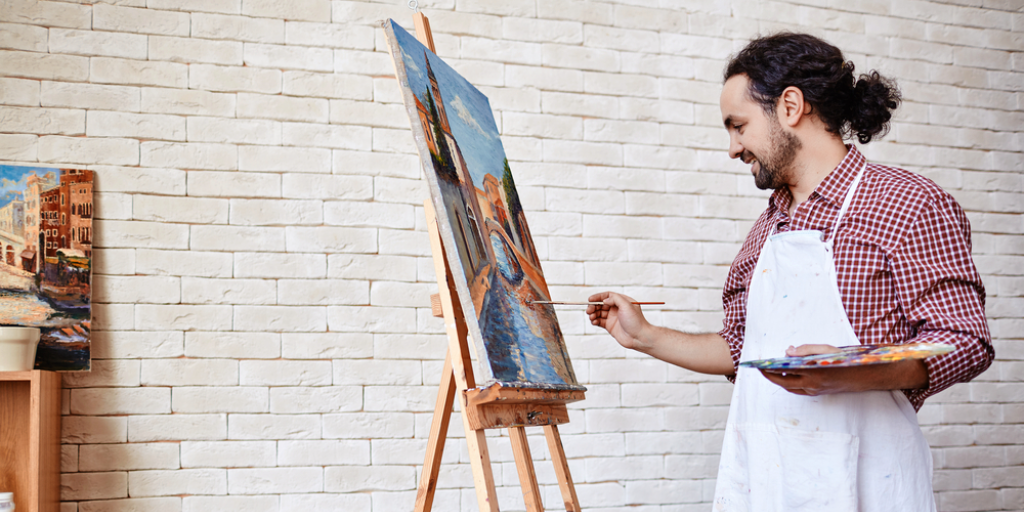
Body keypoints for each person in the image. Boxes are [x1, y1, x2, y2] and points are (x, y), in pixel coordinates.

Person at [586, 33, 993, 511]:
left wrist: (852, 371)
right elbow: (742, 350)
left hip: (867, 484)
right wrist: (643, 336)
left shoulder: (908, 203)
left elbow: (965, 342)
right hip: (765, 482)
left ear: (791, 106)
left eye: (738, 126)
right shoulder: (766, 228)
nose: (733, 148)